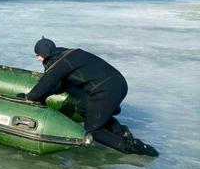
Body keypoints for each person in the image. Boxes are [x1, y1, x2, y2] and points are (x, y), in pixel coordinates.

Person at [19, 37, 159, 157]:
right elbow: (63, 84)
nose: (38, 59)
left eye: (38, 55)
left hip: (105, 89)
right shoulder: (69, 54)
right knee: (82, 109)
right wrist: (45, 94)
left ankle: (130, 147)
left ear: (44, 53)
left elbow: (46, 82)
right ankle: (122, 132)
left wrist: (28, 98)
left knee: (93, 130)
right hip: (117, 83)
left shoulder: (60, 63)